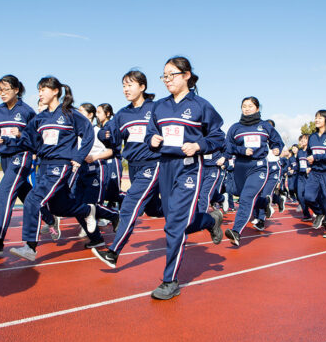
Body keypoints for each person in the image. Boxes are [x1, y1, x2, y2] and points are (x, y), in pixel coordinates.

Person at [8, 76, 118, 261]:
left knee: (33, 200)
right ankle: (87, 211)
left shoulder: (70, 114)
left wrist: (78, 156)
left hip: (61, 165)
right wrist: (16, 137)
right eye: (39, 89)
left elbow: (89, 134)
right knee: (59, 207)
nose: (40, 93)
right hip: (43, 165)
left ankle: (30, 247)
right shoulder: (40, 118)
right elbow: (31, 140)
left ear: (55, 91)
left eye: (43, 89)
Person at [144, 56, 224, 300]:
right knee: (177, 221)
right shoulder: (159, 106)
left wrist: (199, 145)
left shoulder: (201, 106)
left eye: (172, 75)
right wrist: (152, 140)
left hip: (189, 168)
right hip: (166, 166)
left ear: (187, 75)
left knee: (175, 225)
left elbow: (219, 138)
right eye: (164, 76)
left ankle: (170, 281)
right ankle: (211, 221)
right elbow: (151, 134)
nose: (167, 80)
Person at [92, 70, 163, 268]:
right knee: (153, 209)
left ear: (142, 87)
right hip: (133, 166)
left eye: (130, 85)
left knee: (130, 204)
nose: (126, 89)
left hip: (153, 163)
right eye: (123, 85)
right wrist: (104, 135)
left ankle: (113, 252)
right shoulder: (123, 114)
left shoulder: (156, 108)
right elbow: (109, 136)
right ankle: (203, 219)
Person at [0, 75, 37, 255]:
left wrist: (21, 135)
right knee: (23, 191)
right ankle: (49, 218)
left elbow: (35, 138)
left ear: (17, 90)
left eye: (6, 90)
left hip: (22, 155)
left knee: (3, 192)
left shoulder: (27, 111)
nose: (2, 93)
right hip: (5, 156)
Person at [223, 97, 283, 244]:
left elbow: (277, 141)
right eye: (244, 106)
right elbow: (227, 146)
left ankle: (236, 231)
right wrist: (241, 150)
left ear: (257, 108)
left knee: (246, 198)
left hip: (258, 166)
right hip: (240, 166)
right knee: (237, 192)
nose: (247, 108)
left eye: (250, 106)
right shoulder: (235, 128)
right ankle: (264, 202)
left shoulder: (265, 126)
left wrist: (277, 148)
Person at [303, 110, 326, 238]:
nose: (317, 120)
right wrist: (309, 162)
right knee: (307, 196)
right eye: (315, 118)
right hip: (315, 173)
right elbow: (309, 152)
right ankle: (319, 213)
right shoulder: (312, 137)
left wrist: (316, 157)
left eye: (320, 118)